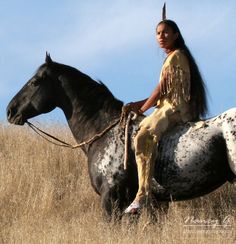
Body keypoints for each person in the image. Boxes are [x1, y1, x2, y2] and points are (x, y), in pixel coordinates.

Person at [124, 19, 208, 214]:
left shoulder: (176, 57)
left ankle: (143, 193)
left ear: (176, 34)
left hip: (174, 109)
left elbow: (161, 90)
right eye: (158, 33)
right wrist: (139, 104)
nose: (161, 37)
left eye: (166, 32)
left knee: (143, 136)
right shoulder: (175, 56)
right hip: (168, 106)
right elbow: (162, 92)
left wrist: (141, 108)